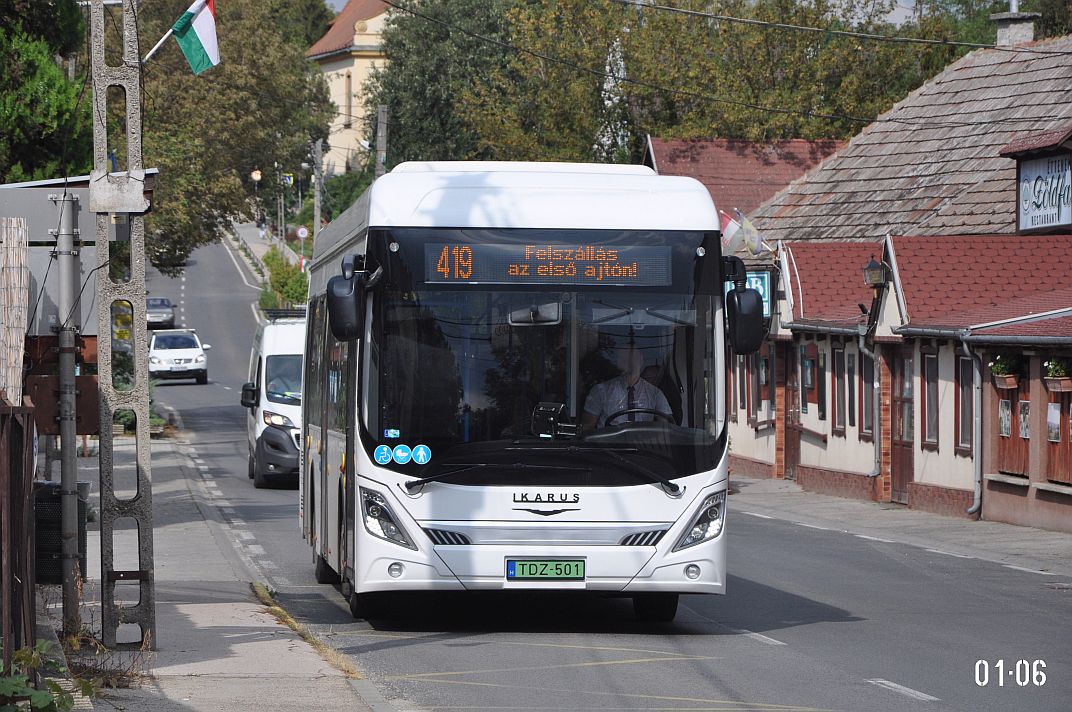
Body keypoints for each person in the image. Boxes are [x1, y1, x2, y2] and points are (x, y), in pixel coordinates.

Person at [582, 346, 672, 429]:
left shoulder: (655, 394)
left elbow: (666, 429)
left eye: (634, 357)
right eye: (625, 358)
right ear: (618, 362)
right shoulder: (600, 391)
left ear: (641, 360)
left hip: (642, 444)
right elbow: (587, 428)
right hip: (608, 445)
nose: (630, 362)